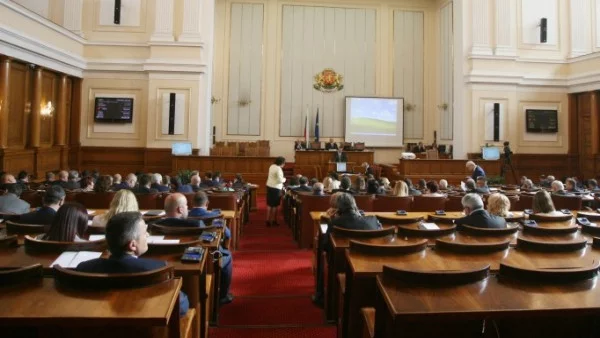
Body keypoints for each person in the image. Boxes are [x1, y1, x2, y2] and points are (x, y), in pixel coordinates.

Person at [76, 212, 189, 316]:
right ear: (133, 245)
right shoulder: (158, 269)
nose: (148, 235)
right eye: (145, 233)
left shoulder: (84, 268)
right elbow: (181, 306)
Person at [155, 193, 234, 305]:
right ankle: (222, 296)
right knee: (227, 256)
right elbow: (211, 243)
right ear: (180, 209)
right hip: (194, 263)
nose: (188, 208)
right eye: (186, 206)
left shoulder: (154, 225)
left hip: (162, 267)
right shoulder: (197, 224)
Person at [266, 157, 286, 227]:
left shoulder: (271, 166)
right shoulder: (279, 169)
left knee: (269, 204)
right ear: (282, 163)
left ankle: (267, 220)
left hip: (269, 186)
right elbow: (280, 180)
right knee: (275, 205)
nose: (284, 164)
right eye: (284, 163)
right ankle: (273, 220)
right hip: (276, 188)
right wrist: (284, 179)